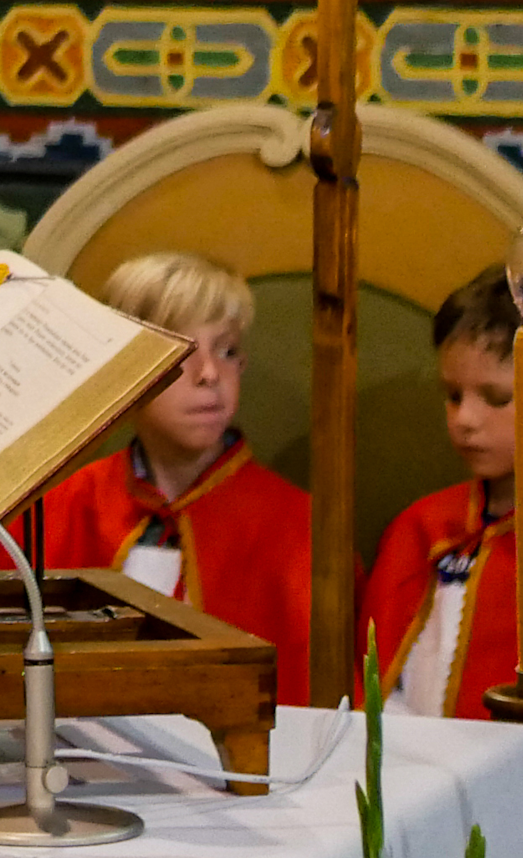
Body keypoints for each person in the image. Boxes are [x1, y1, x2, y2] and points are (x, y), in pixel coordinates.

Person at [21, 251, 312, 704]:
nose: (210, 374)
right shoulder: (67, 506)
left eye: (228, 350)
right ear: (128, 366)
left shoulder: (296, 526)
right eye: (183, 353)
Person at [362, 268, 523, 722]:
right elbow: (373, 686)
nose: (464, 419)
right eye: (453, 395)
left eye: (495, 398)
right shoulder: (422, 528)